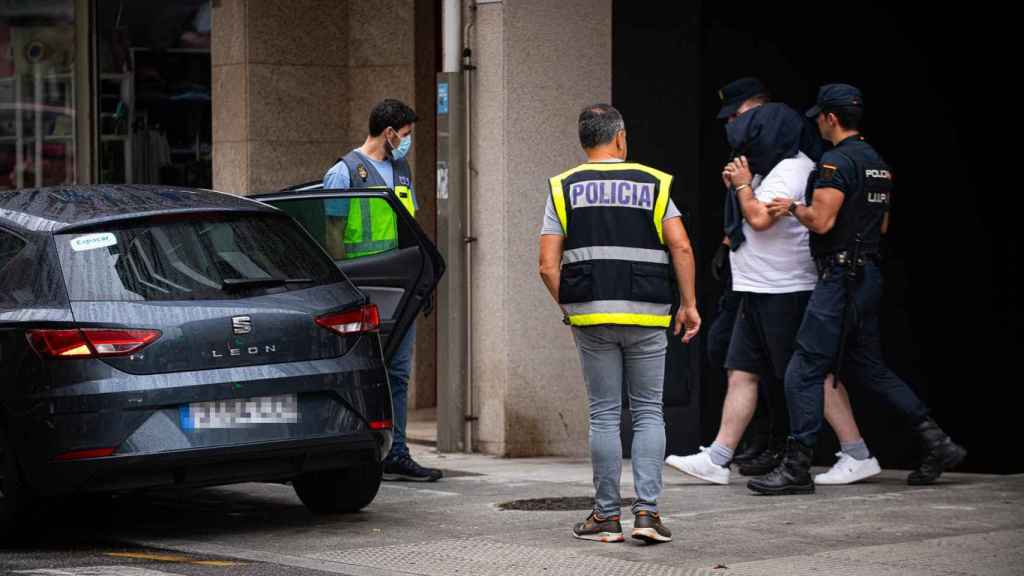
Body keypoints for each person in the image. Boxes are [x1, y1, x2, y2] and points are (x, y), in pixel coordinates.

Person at [749, 84, 966, 495]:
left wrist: (791, 207)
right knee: (868, 366)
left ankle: (796, 466)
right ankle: (937, 440)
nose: (817, 123)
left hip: (840, 279)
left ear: (831, 118)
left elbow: (821, 221)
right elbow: (881, 226)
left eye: (820, 117)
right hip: (867, 274)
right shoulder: (877, 164)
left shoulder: (835, 163)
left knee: (803, 368)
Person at [538, 104, 700, 544]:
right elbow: (681, 247)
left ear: (584, 140)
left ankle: (606, 518)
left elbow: (547, 266)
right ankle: (646, 515)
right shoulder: (654, 183)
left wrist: (570, 306)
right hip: (647, 315)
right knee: (649, 411)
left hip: (592, 318)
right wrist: (688, 304)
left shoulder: (563, 187)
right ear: (621, 137)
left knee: (604, 415)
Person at [322, 98, 442, 483]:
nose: (408, 142)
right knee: (362, 372)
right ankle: (361, 449)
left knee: (400, 374)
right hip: (363, 289)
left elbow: (411, 229)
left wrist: (422, 283)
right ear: (389, 133)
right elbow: (334, 240)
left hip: (400, 288)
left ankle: (398, 453)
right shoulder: (343, 174)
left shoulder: (401, 170)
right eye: (405, 135)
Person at [708, 77, 777, 470]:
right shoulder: (746, 153)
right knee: (725, 349)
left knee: (775, 363)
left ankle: (773, 442)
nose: (733, 124)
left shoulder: (783, 153)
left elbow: (766, 214)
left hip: (774, 278)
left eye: (739, 114)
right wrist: (725, 242)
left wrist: (742, 187)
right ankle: (751, 434)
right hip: (744, 270)